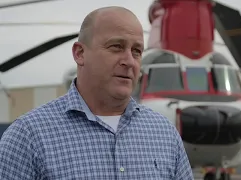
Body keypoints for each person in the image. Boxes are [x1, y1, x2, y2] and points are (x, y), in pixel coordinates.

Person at [0, 6, 193, 179]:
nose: (129, 61)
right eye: (116, 47)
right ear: (80, 54)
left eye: (136, 51)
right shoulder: (27, 137)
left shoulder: (165, 134)